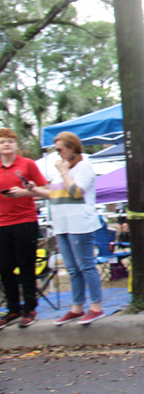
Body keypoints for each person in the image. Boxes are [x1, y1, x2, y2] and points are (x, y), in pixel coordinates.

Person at [30, 132, 105, 325]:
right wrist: (32, 190)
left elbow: (77, 192)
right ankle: (77, 307)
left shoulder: (84, 167)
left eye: (60, 150)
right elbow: (57, 194)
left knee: (86, 265)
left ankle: (96, 307)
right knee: (72, 268)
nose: (58, 154)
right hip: (61, 224)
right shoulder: (62, 170)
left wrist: (64, 172)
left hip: (80, 223)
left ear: (72, 148)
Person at [0, 128, 48, 329]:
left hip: (25, 221)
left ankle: (30, 308)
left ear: (16, 144)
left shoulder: (28, 165)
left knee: (26, 265)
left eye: (10, 141)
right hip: (2, 224)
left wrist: (25, 193)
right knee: (4, 267)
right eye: (3, 141)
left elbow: (46, 191)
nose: (7, 144)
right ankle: (13, 309)